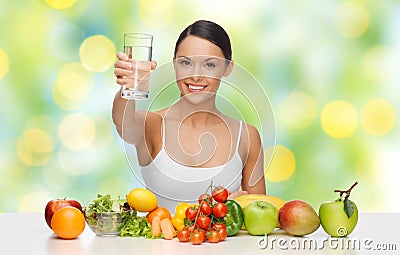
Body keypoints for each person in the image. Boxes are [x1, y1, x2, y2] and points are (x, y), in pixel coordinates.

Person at [112, 20, 266, 211]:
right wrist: (128, 86)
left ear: (227, 68)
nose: (195, 76)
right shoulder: (151, 125)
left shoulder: (247, 136)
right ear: (175, 64)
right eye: (186, 63)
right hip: (158, 240)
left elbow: (260, 214)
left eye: (209, 65)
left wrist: (234, 209)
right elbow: (122, 121)